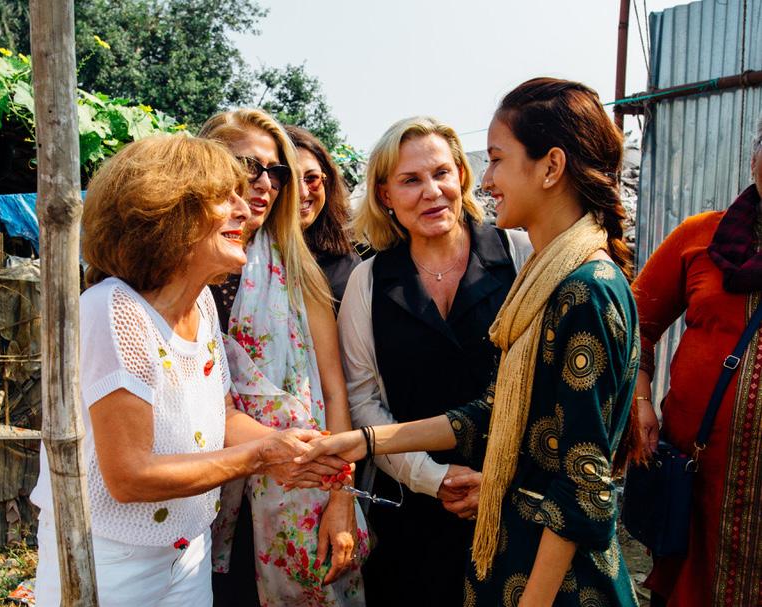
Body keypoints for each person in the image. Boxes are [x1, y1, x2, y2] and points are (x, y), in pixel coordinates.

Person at [304, 78, 645, 607]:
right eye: (410, 179)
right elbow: (497, 408)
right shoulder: (551, 276)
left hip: (551, 571)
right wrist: (367, 444)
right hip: (471, 533)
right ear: (385, 195)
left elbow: (583, 485)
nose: (486, 179)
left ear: (551, 168)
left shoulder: (572, 282)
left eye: (495, 160)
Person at [31, 135, 344, 606]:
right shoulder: (114, 310)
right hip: (111, 560)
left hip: (188, 551)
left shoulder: (200, 305)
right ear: (167, 210)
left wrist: (295, 448)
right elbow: (131, 475)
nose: (244, 210)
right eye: (225, 198)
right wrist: (262, 456)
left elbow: (222, 416)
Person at [337, 115, 531, 607]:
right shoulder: (369, 280)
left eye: (441, 173)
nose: (431, 192)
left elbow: (548, 388)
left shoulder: (519, 254)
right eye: (410, 180)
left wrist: (500, 480)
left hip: (514, 505)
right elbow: (363, 398)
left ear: (461, 175)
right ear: (385, 195)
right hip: (410, 513)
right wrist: (431, 477)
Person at [198, 109, 368, 607]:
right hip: (200, 490)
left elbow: (334, 391)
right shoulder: (180, 269)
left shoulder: (298, 267)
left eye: (275, 172)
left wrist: (341, 497)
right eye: (248, 165)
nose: (265, 183)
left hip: (298, 487)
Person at [634, 113, 762, 606]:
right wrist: (640, 401)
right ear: (753, 160)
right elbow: (633, 326)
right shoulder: (699, 237)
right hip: (699, 481)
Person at [285, 125, 361, 311]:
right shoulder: (252, 260)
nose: (302, 192)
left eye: (312, 178)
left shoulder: (356, 251)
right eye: (289, 180)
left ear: (327, 181)